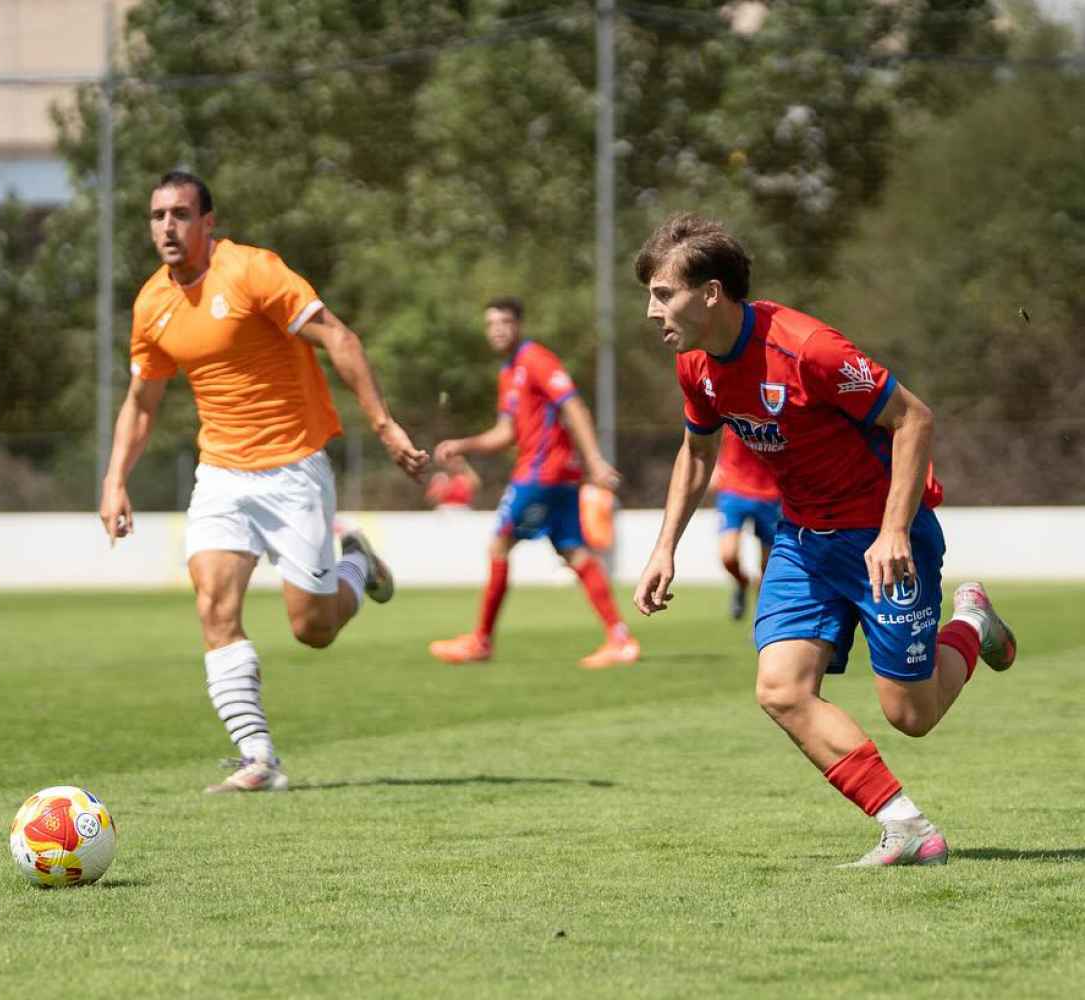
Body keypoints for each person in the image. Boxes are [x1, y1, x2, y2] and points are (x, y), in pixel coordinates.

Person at [632, 214, 1017, 866]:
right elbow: (697, 453)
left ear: (711, 293)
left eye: (662, 293)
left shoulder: (807, 349)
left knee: (910, 715)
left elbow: (913, 418)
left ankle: (971, 624)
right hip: (803, 541)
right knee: (780, 689)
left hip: (884, 538)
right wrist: (664, 546)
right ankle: (905, 828)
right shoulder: (695, 366)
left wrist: (893, 529)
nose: (650, 311)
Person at [99, 170, 429, 793]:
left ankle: (356, 566)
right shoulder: (152, 304)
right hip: (220, 473)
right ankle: (259, 759)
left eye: (180, 214)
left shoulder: (253, 271)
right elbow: (142, 403)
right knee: (212, 602)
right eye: (157, 215)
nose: (167, 226)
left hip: (293, 466)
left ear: (207, 222)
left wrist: (384, 426)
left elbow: (338, 336)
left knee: (312, 629)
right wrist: (116, 478)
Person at [428, 297, 640, 669]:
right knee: (574, 552)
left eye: (505, 322)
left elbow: (573, 405)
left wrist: (594, 460)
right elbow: (505, 433)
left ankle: (481, 641)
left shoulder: (535, 359)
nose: (497, 329)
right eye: (491, 323)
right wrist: (464, 445)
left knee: (498, 544)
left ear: (519, 325)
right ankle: (619, 638)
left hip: (542, 473)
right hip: (555, 476)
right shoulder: (508, 372)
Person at [708, 428, 781, 620]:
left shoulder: (780, 404)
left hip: (771, 493)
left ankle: (763, 620)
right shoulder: (732, 401)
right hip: (733, 489)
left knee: (768, 568)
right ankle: (741, 583)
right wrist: (712, 464)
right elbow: (705, 430)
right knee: (728, 556)